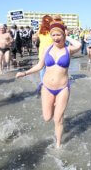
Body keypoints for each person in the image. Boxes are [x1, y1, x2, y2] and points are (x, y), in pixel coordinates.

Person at [16, 15, 81, 148]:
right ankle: (56, 109)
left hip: (63, 88)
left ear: (63, 35)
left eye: (59, 35)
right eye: (53, 35)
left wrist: (65, 34)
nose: (56, 38)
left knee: (58, 119)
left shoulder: (68, 50)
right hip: (47, 87)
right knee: (47, 117)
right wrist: (25, 72)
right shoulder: (47, 49)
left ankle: (58, 145)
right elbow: (40, 66)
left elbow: (79, 44)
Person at [32, 15, 54, 81]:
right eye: (45, 21)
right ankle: (43, 84)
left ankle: (51, 84)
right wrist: (34, 37)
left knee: (52, 69)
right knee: (42, 69)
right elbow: (35, 37)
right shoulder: (40, 29)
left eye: (48, 20)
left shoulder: (53, 29)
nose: (47, 22)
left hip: (53, 52)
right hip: (42, 52)